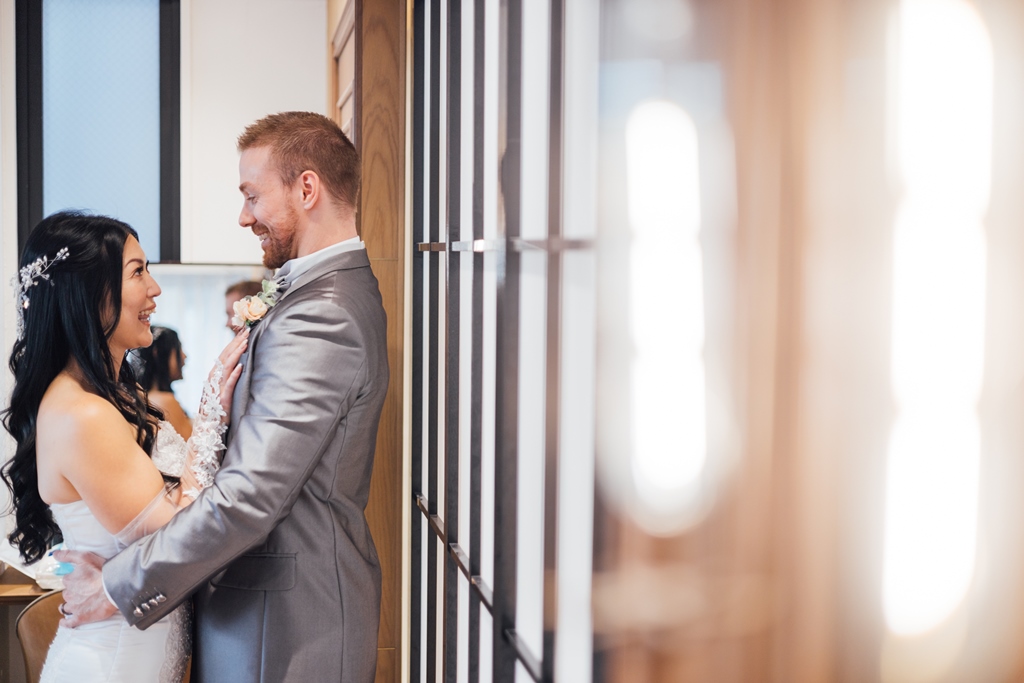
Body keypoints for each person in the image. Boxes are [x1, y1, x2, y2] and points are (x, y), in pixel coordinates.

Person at [58, 111, 390, 683]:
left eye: (252, 196)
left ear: (307, 188)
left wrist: (116, 585)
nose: (244, 216)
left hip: (285, 629)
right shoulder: (313, 298)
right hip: (264, 618)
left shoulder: (322, 316)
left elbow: (248, 497)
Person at [1, 211, 248, 682]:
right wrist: (212, 414)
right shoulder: (83, 414)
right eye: (138, 272)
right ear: (89, 294)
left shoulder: (117, 395)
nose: (154, 289)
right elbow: (182, 536)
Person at [131, 326, 193, 440]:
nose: (184, 356)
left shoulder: (139, 398)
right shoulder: (165, 401)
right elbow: (193, 446)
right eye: (178, 348)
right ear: (157, 353)